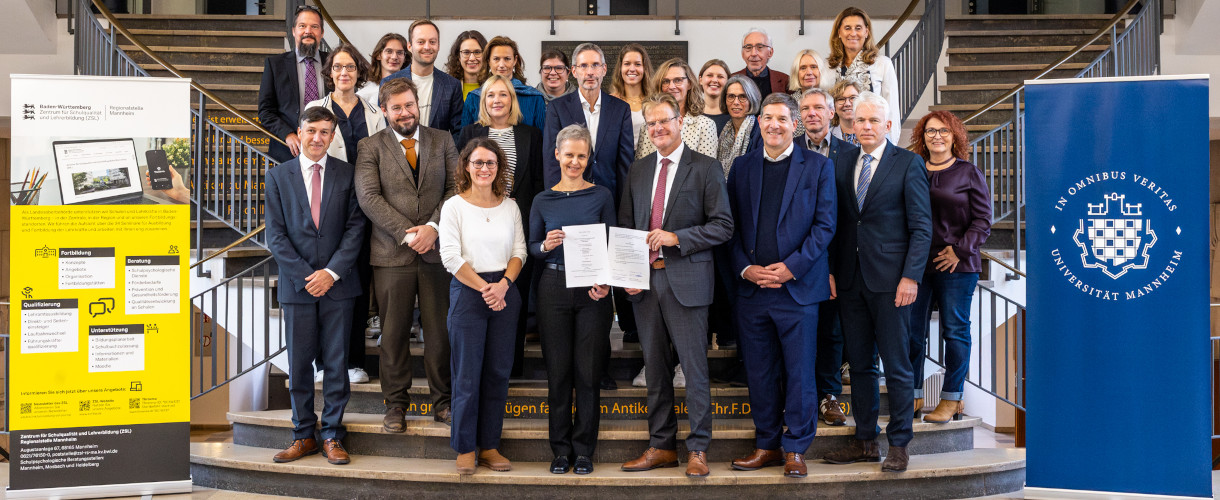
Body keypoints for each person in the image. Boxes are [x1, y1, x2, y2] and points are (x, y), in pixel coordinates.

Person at [618, 93, 733, 478]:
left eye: (664, 121)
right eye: (651, 123)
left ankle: (698, 448)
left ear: (680, 121)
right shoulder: (638, 170)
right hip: (645, 284)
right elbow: (627, 227)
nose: (658, 128)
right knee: (655, 369)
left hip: (687, 280)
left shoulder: (705, 167)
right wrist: (629, 274)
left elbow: (723, 225)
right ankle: (661, 445)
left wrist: (677, 237)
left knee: (695, 369)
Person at [726, 93, 836, 479]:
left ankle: (796, 449)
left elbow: (825, 226)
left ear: (795, 124)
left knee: (801, 374)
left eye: (782, 119)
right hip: (753, 291)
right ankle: (767, 445)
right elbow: (728, 225)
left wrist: (792, 268)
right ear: (759, 124)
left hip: (798, 291)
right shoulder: (741, 167)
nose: (774, 125)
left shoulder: (819, 166)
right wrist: (745, 269)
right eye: (768, 118)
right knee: (760, 373)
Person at [823, 91, 931, 473]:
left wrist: (911, 277)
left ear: (888, 125)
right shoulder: (842, 161)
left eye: (873, 121)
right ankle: (866, 440)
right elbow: (836, 224)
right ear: (851, 126)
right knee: (860, 366)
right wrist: (831, 271)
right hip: (850, 281)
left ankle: (899, 443)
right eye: (860, 120)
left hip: (892, 283)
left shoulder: (908, 163)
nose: (865, 126)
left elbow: (922, 228)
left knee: (897, 366)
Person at [265, 106, 367, 466]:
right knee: (299, 365)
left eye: (325, 132)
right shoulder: (277, 176)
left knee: (337, 364)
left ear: (332, 136)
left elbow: (356, 229)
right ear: (299, 132)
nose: (317, 138)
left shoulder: (348, 174)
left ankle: (333, 435)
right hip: (298, 287)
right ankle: (303, 435)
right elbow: (275, 236)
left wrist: (331, 273)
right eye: (311, 130)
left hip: (339, 286)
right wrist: (307, 277)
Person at [355, 78, 458, 431]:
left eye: (409, 105)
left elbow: (456, 188)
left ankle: (443, 403)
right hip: (391, 254)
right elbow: (369, 198)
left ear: (418, 105)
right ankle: (396, 405)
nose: (405, 113)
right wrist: (408, 233)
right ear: (384, 111)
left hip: (437, 252)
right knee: (394, 335)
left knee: (440, 335)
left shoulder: (443, 140)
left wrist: (433, 228)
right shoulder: (370, 146)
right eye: (396, 107)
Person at [541, 43, 636, 391]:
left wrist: (623, 213)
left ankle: (599, 367)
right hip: (569, 206)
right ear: (574, 71)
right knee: (575, 285)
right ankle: (569, 369)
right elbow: (551, 161)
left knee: (601, 288)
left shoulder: (620, 109)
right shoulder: (558, 108)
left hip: (605, 207)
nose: (590, 71)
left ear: (604, 69)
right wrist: (559, 204)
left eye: (596, 65)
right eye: (583, 65)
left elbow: (625, 163)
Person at [529, 125, 616, 475]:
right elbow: (532, 247)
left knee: (588, 372)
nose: (575, 162)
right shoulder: (542, 199)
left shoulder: (602, 195)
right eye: (569, 155)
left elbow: (612, 245)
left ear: (588, 156)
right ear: (557, 155)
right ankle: (560, 451)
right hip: (553, 286)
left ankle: (583, 451)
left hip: (593, 290)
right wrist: (544, 245)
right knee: (559, 372)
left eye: (581, 155)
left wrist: (607, 283)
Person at [439, 138, 528, 475]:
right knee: (466, 374)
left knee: (497, 373)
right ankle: (465, 448)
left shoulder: (510, 207)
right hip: (468, 291)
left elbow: (520, 251)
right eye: (477, 162)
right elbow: (450, 256)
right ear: (466, 166)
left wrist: (503, 285)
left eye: (490, 162)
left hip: (505, 290)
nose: (484, 168)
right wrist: (485, 288)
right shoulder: (453, 207)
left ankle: (489, 446)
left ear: (499, 167)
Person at [456, 74, 545, 387]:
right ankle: (480, 365)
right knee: (478, 295)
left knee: (514, 292)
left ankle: (511, 366)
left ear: (512, 100)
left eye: (503, 95)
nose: (497, 100)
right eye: (491, 95)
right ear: (483, 101)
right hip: (478, 226)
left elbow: (537, 182)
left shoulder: (531, 134)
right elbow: (461, 178)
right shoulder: (470, 133)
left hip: (517, 224)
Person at [305, 44, 385, 385]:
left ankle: (354, 361)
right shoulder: (315, 108)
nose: (344, 73)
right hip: (328, 201)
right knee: (327, 280)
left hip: (365, 204)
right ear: (329, 72)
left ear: (359, 72)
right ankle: (324, 363)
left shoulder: (374, 112)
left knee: (357, 284)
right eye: (337, 67)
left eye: (350, 67)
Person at [906, 110, 992, 423]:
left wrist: (959, 250)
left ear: (954, 136)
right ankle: (913, 395)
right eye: (930, 131)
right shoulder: (913, 168)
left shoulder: (968, 172)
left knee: (954, 332)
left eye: (944, 131)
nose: (937, 136)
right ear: (922, 136)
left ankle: (951, 398)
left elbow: (983, 220)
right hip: (918, 264)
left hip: (958, 265)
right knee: (911, 333)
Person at [798, 87, 859, 427]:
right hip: (796, 259)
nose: (812, 113)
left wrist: (832, 268)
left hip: (837, 256)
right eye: (805, 108)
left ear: (831, 113)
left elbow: (849, 215)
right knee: (800, 333)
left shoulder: (850, 154)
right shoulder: (787, 149)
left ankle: (829, 396)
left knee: (832, 331)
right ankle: (800, 396)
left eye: (818, 107)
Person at [257, 5, 330, 162]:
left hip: (329, 151)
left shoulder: (334, 63)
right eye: (302, 26)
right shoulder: (275, 65)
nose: (308, 31)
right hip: (288, 151)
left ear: (322, 32)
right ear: (294, 31)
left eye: (314, 27)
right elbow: (265, 111)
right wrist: (287, 134)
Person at [828, 7, 901, 140]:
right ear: (839, 32)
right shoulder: (829, 67)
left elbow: (892, 110)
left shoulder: (882, 64)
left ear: (866, 32)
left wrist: (892, 145)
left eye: (858, 28)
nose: (853, 33)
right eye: (847, 28)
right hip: (837, 139)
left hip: (873, 137)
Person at [381, 20, 464, 136]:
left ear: (438, 46)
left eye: (432, 42)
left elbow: (457, 132)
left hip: (439, 148)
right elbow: (385, 129)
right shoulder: (388, 83)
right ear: (409, 46)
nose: (427, 47)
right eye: (421, 42)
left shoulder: (452, 85)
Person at [635, 58, 718, 160]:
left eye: (678, 80)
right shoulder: (647, 126)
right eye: (666, 81)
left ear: (689, 83)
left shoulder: (705, 125)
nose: (671, 86)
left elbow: (707, 167)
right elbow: (641, 165)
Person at [462, 36, 546, 131]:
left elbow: (542, 137)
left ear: (515, 60)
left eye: (507, 59)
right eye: (496, 59)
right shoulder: (474, 98)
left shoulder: (534, 98)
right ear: (489, 61)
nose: (501, 65)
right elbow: (465, 136)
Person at [609, 43, 653, 148]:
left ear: (644, 68)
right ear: (620, 68)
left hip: (650, 156)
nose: (632, 69)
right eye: (627, 64)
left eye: (637, 64)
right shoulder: (610, 102)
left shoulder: (654, 101)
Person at [716, 75, 762, 173]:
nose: (736, 102)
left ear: (752, 99)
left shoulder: (761, 133)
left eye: (742, 97)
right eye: (731, 96)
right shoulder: (722, 130)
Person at [733, 28, 790, 97]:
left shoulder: (785, 80)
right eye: (748, 47)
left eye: (760, 47)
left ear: (770, 52)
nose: (753, 53)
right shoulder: (731, 79)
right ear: (742, 54)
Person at [788, 49, 830, 139]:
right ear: (796, 73)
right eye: (803, 68)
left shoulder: (832, 100)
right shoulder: (788, 104)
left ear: (821, 71)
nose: (809, 72)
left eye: (814, 67)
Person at [358, 33, 407, 106]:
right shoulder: (364, 95)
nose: (394, 57)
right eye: (389, 51)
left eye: (399, 52)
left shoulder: (413, 87)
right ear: (378, 55)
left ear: (405, 58)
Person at [444, 30, 487, 100]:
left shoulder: (495, 86)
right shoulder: (447, 87)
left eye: (477, 52)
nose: (472, 58)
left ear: (485, 55)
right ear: (459, 57)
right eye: (466, 52)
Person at [699, 59, 732, 132]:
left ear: (728, 81)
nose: (714, 80)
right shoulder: (690, 113)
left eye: (720, 76)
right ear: (700, 80)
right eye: (709, 75)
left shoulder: (734, 114)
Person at [829, 80, 862, 146]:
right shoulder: (827, 136)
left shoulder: (874, 131)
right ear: (834, 106)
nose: (847, 104)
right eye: (841, 99)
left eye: (853, 98)